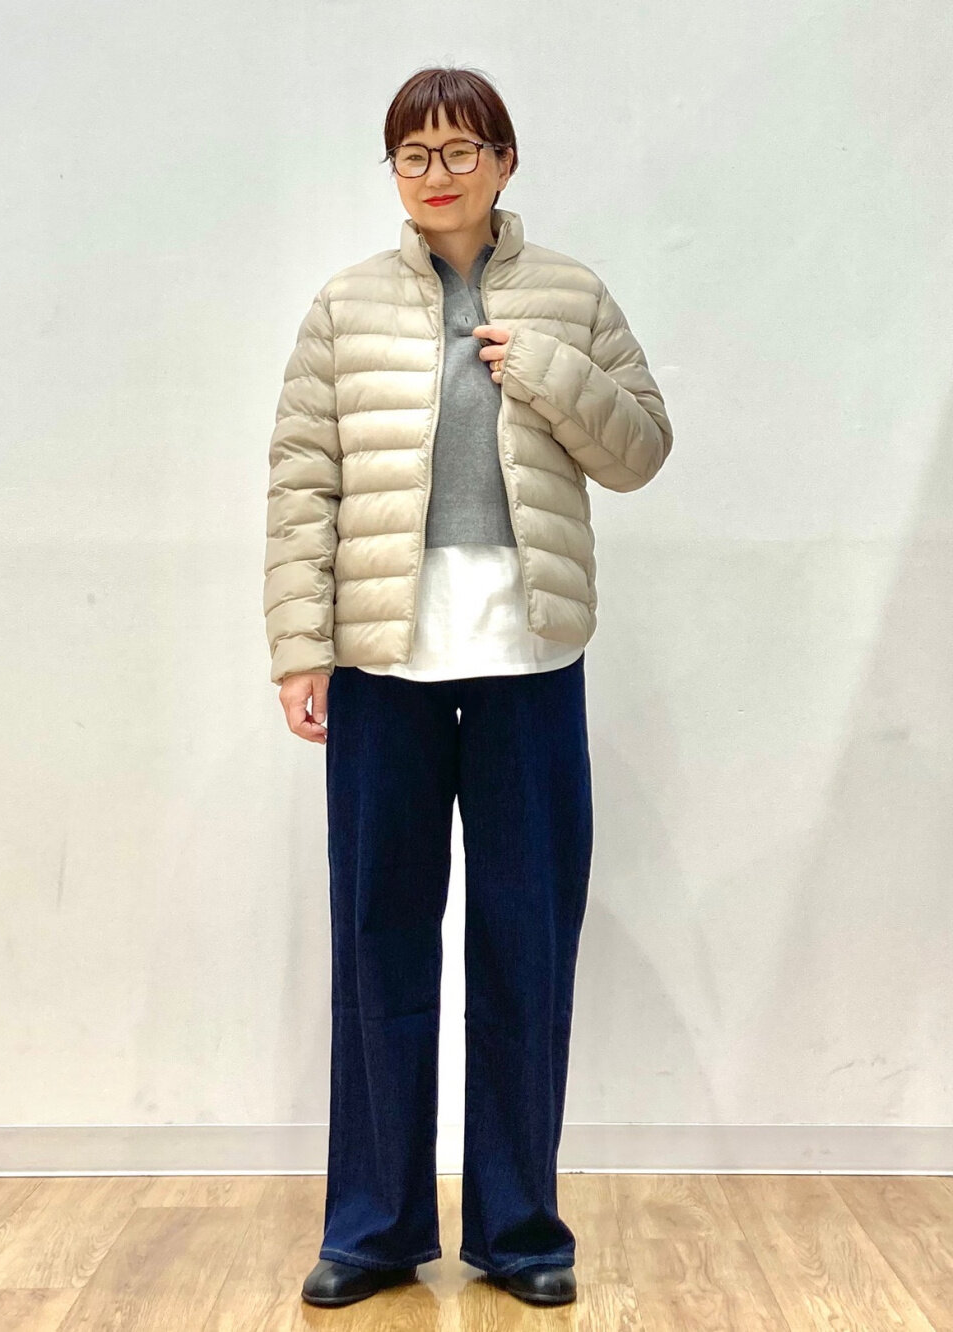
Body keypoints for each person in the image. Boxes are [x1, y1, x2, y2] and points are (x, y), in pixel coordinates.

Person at [262, 65, 673, 1310]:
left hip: (529, 659)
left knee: (524, 949)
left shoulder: (571, 295)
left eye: (460, 149)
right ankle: (373, 1228)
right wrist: (299, 645)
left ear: (504, 159)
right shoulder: (343, 307)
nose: (436, 173)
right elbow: (303, 481)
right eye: (413, 153)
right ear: (392, 171)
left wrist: (546, 368)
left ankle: (520, 1231)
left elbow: (641, 450)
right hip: (382, 664)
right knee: (379, 943)